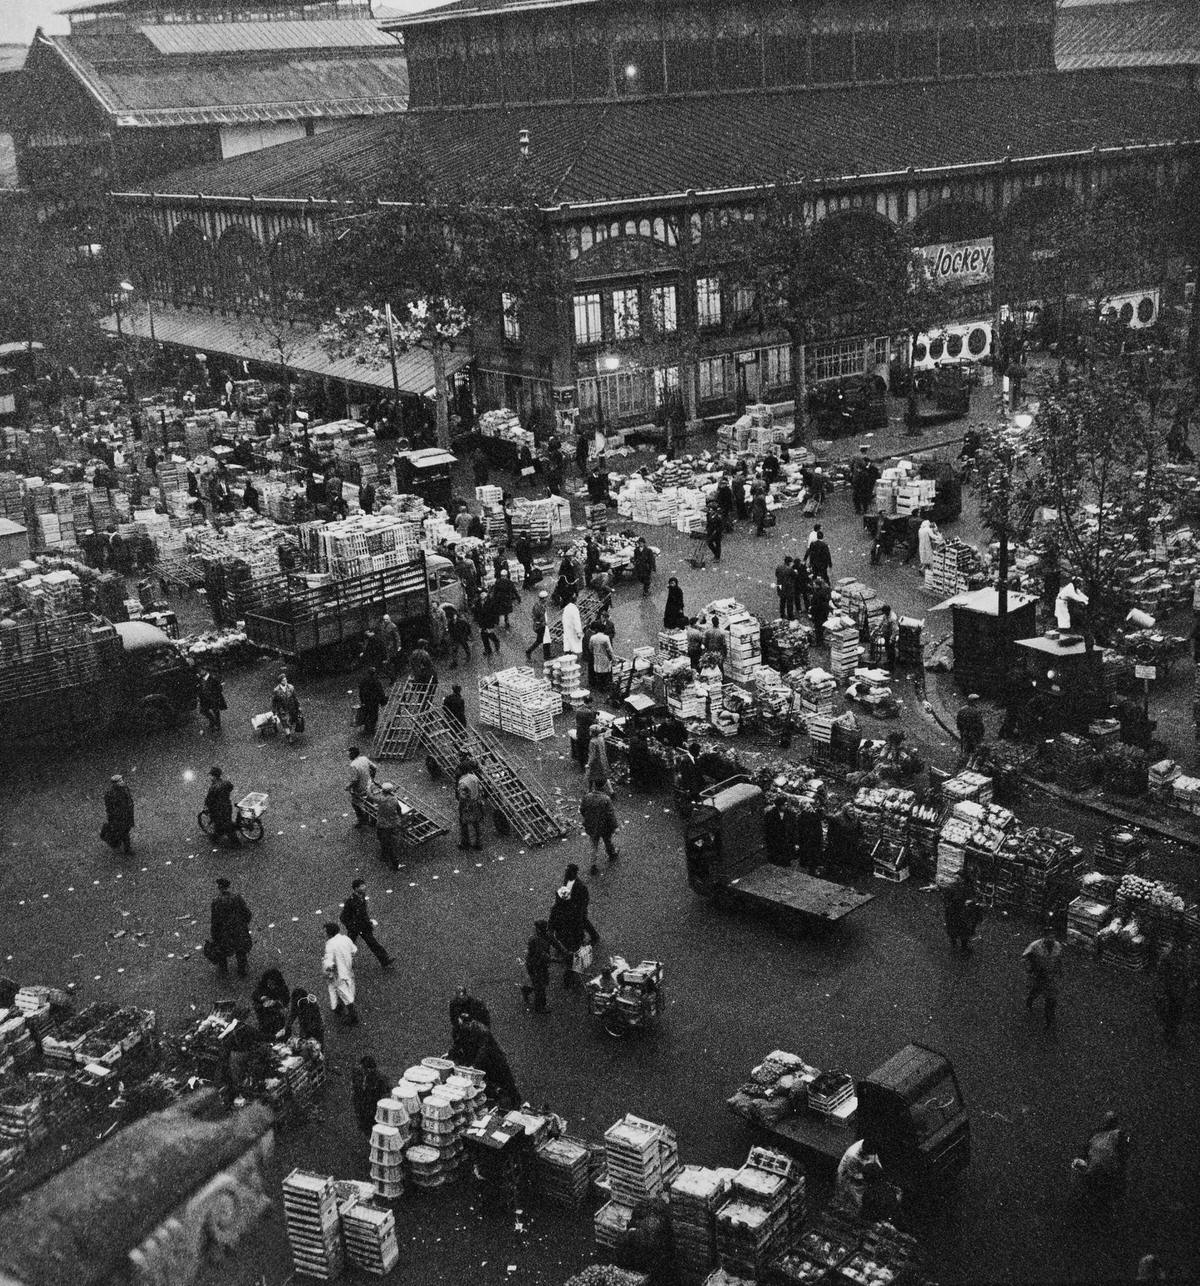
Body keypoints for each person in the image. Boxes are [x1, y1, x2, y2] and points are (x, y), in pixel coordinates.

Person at [1071, 1112, 1131, 1210]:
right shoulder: (1096, 1137)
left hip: (1104, 1177)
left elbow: (1125, 1153)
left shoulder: (1114, 1135)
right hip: (1099, 1177)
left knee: (1102, 1206)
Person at [341, 877, 395, 970]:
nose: (364, 887)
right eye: (362, 886)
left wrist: (367, 922)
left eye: (364, 885)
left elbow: (362, 913)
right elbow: (343, 917)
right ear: (356, 888)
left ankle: (385, 960)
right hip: (355, 927)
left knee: (373, 943)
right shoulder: (350, 901)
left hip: (363, 926)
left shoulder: (361, 896)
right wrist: (351, 926)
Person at [209, 877, 253, 978]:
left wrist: (214, 933)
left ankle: (224, 970)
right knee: (240, 948)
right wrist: (244, 923)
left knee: (222, 949)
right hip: (238, 928)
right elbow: (246, 912)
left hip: (223, 930)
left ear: (219, 888)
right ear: (228, 887)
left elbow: (214, 919)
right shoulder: (237, 898)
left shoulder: (216, 901)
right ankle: (242, 970)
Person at [1022, 925, 1064, 1029]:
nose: (1051, 939)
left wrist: (1059, 971)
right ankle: (1030, 1000)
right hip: (1039, 975)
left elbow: (1058, 959)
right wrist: (1031, 968)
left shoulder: (1058, 946)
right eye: (1049, 937)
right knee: (1036, 991)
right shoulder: (1035, 946)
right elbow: (1025, 958)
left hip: (1051, 976)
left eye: (1053, 937)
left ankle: (1049, 1020)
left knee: (1051, 999)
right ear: (1044, 937)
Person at [322, 921, 359, 1025]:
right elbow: (354, 950)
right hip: (348, 970)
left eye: (325, 932)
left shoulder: (330, 945)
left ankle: (352, 1017)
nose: (324, 934)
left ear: (329, 933)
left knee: (345, 995)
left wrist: (326, 970)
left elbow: (329, 963)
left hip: (337, 974)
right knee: (348, 990)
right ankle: (338, 1007)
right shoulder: (346, 939)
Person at [1153, 943, 1189, 1045]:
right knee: (1173, 1015)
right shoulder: (1177, 961)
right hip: (1174, 992)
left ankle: (1169, 1034)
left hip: (1172, 992)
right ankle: (1170, 1035)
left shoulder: (1168, 960)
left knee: (1170, 1015)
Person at [581, 785, 620, 874]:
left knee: (594, 845)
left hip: (592, 826)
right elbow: (611, 814)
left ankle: (593, 865)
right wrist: (615, 827)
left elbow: (582, 810)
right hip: (605, 826)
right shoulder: (606, 799)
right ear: (603, 788)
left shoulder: (587, 797)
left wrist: (588, 818)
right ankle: (611, 853)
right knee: (607, 841)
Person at [521, 920, 556, 1013]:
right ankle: (539, 1007)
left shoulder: (545, 935)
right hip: (534, 965)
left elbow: (555, 943)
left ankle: (526, 990)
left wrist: (565, 951)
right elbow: (542, 954)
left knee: (541, 982)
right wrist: (556, 960)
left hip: (541, 964)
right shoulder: (535, 940)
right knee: (540, 986)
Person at [351, 1055, 391, 1134]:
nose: (365, 1071)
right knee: (363, 1121)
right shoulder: (358, 1073)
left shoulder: (380, 1079)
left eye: (368, 1070)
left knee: (371, 1125)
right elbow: (354, 1086)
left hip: (372, 1106)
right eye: (364, 1069)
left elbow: (385, 1095)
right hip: (361, 1104)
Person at [943, 877, 982, 954]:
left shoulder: (952, 887)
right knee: (964, 928)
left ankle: (954, 943)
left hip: (952, 911)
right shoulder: (967, 889)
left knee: (953, 926)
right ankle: (963, 948)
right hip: (962, 912)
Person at [204, 765, 241, 847]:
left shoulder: (213, 787)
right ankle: (215, 837)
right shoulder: (226, 783)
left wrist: (207, 807)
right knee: (224, 822)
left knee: (224, 825)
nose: (210, 777)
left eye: (211, 775)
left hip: (219, 809)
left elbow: (209, 799)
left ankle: (235, 843)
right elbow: (231, 787)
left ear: (213, 776)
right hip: (227, 806)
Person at [251, 967, 290, 1037]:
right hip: (263, 1011)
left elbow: (285, 1000)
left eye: (272, 983)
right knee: (264, 1025)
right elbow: (255, 994)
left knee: (277, 1025)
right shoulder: (262, 986)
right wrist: (261, 998)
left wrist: (275, 1002)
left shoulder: (283, 989)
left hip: (277, 1012)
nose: (270, 985)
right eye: (268, 983)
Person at [374, 782, 404, 870]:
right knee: (392, 844)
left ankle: (384, 855)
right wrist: (400, 817)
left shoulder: (379, 799)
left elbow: (371, 797)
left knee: (383, 840)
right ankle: (395, 864)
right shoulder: (394, 800)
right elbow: (399, 810)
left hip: (381, 824)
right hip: (392, 825)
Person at [103, 773, 135, 855]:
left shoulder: (124, 788)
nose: (122, 782)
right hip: (119, 816)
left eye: (122, 780)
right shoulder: (110, 793)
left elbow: (128, 799)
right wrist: (113, 816)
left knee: (125, 830)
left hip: (127, 814)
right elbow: (109, 807)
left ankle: (119, 842)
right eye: (119, 781)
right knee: (124, 832)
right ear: (115, 783)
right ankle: (127, 848)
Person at [347, 745, 376, 828]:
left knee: (355, 803)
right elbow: (374, 768)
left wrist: (348, 786)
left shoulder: (353, 765)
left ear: (352, 754)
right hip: (369, 785)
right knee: (370, 802)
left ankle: (362, 820)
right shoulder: (364, 758)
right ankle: (373, 820)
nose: (348, 755)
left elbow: (355, 779)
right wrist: (372, 778)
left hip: (360, 788)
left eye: (349, 754)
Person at [457, 764, 485, 851]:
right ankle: (478, 844)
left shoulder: (462, 782)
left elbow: (463, 797)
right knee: (477, 825)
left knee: (464, 824)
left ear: (461, 770)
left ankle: (465, 843)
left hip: (467, 807)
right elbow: (480, 789)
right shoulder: (474, 777)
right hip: (477, 803)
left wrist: (460, 807)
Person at [272, 672, 302, 744]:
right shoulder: (276, 690)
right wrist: (274, 712)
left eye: (285, 679)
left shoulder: (291, 687)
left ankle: (289, 733)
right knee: (285, 723)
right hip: (282, 710)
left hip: (291, 708)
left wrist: (299, 707)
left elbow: (295, 698)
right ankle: (289, 738)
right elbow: (274, 702)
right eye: (283, 680)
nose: (285, 681)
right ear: (280, 682)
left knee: (290, 722)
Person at [763, 797, 794, 866]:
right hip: (775, 841)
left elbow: (794, 828)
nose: (786, 806)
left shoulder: (790, 814)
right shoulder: (770, 814)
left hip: (786, 840)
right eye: (784, 805)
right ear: (779, 805)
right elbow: (767, 828)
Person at [358, 667, 388, 738]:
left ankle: (367, 728)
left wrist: (362, 700)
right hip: (374, 701)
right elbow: (380, 692)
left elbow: (361, 691)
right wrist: (383, 700)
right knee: (373, 715)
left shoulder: (363, 681)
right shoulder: (376, 681)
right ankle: (371, 729)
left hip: (366, 701)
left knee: (367, 714)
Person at [957, 694, 985, 762]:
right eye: (976, 701)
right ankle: (969, 762)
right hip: (973, 733)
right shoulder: (976, 711)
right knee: (973, 748)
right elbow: (979, 724)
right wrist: (981, 733)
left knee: (964, 745)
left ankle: (963, 758)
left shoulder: (962, 709)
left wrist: (961, 729)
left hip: (964, 731)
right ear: (973, 702)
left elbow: (958, 721)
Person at [574, 694, 598, 769]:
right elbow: (592, 722)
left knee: (580, 749)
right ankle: (586, 765)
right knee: (586, 749)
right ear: (590, 702)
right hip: (586, 734)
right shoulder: (588, 712)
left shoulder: (578, 710)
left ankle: (581, 764)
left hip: (579, 732)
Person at [586, 723, 611, 793]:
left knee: (590, 776)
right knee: (605, 776)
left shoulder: (592, 742)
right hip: (603, 759)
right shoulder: (601, 738)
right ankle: (611, 791)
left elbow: (592, 755)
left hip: (596, 763)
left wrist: (589, 764)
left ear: (592, 733)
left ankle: (589, 790)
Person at [477, 590, 502, 659]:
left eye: (483, 594)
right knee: (484, 638)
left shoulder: (491, 602)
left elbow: (496, 613)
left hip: (489, 623)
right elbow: (477, 612)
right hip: (482, 624)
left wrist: (495, 624)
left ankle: (496, 643)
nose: (482, 595)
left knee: (491, 635)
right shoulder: (478, 602)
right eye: (481, 594)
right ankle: (488, 650)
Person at [526, 591, 549, 661]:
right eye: (546, 598)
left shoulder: (539, 604)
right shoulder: (540, 606)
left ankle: (547, 655)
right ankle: (529, 651)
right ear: (544, 598)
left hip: (541, 625)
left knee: (544, 640)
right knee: (540, 640)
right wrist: (541, 622)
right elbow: (538, 616)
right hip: (540, 626)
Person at [590, 626, 614, 693]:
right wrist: (612, 657)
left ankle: (600, 687)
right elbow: (609, 649)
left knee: (598, 673)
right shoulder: (606, 638)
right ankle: (606, 687)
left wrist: (594, 653)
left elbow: (590, 647)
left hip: (596, 656)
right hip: (604, 657)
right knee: (606, 673)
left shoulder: (592, 638)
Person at [379, 613, 402, 680]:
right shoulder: (383, 626)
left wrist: (399, 646)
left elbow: (397, 637)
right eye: (384, 619)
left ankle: (397, 673)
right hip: (387, 645)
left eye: (387, 619)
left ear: (389, 619)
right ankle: (394, 673)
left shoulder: (393, 626)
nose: (385, 621)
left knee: (393, 660)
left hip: (392, 646)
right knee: (390, 660)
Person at [876, 603, 898, 670]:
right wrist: (879, 627)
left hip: (892, 634)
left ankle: (892, 663)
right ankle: (888, 660)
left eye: (885, 612)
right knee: (887, 647)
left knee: (891, 649)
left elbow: (896, 630)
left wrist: (891, 638)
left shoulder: (893, 618)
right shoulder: (886, 615)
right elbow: (883, 621)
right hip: (887, 633)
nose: (884, 613)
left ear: (887, 611)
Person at [809, 578, 831, 644]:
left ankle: (819, 641)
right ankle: (821, 639)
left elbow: (816, 605)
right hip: (825, 611)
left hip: (818, 613)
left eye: (814, 584)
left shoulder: (817, 594)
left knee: (818, 627)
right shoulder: (825, 591)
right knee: (822, 625)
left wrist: (811, 611)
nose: (813, 585)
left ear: (818, 585)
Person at [775, 556, 796, 621]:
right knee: (789, 602)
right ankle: (790, 615)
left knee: (782, 601)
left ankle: (782, 614)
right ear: (789, 562)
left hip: (780, 587)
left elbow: (776, 574)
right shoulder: (790, 569)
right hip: (788, 588)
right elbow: (794, 576)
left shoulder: (779, 567)